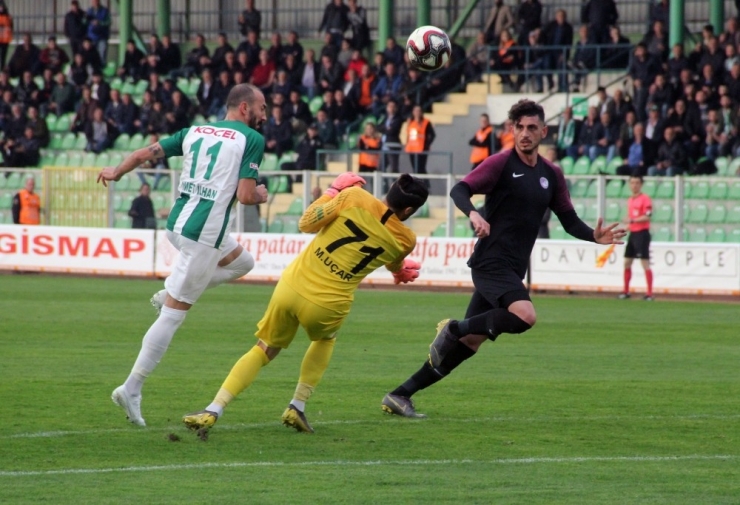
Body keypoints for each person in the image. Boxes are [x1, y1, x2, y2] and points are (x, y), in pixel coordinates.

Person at [380, 100, 626, 418]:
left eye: (532, 128)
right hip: (490, 262)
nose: (525, 133)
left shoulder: (552, 174)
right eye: (519, 127)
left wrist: (594, 235)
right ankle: (452, 328)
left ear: (543, 131)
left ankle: (400, 395)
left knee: (470, 343)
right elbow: (460, 189)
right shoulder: (500, 163)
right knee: (525, 316)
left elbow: (568, 220)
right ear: (512, 129)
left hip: (511, 267)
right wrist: (473, 215)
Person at [182, 173, 429, 435]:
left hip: (291, 286)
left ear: (390, 190)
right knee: (325, 340)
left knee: (263, 349)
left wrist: (334, 190)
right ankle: (296, 405)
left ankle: (213, 409)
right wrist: (399, 272)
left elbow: (307, 223)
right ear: (410, 209)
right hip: (328, 302)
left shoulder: (355, 196)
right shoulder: (407, 240)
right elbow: (394, 260)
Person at [97, 84, 270, 427]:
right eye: (262, 108)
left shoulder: (193, 132)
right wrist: (262, 194)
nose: (265, 115)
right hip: (203, 234)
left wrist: (116, 172)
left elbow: (146, 153)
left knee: (242, 262)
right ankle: (131, 388)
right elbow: (247, 196)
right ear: (245, 109)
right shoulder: (251, 139)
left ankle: (170, 291)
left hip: (178, 225)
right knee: (173, 317)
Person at [620, 175, 653, 301]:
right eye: (632, 183)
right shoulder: (630, 200)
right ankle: (626, 290)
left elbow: (647, 216)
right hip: (633, 234)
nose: (634, 185)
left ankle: (649, 293)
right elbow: (631, 220)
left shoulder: (645, 199)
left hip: (642, 234)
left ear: (641, 184)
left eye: (637, 183)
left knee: (645, 263)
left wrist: (632, 220)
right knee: (627, 262)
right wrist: (626, 228)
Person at [405, 105, 435, 178]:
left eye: (419, 111)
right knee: (414, 168)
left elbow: (433, 135)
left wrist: (427, 144)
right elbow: (409, 135)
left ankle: (425, 184)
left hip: (422, 149)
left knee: (421, 168)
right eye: (415, 111)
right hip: (412, 149)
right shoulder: (411, 122)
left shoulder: (426, 122)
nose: (417, 113)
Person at [0, 3, 12, 71]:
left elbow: (10, 27)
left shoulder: (8, 17)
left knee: (3, 55)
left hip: (5, 39)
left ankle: (2, 67)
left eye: (2, 7)